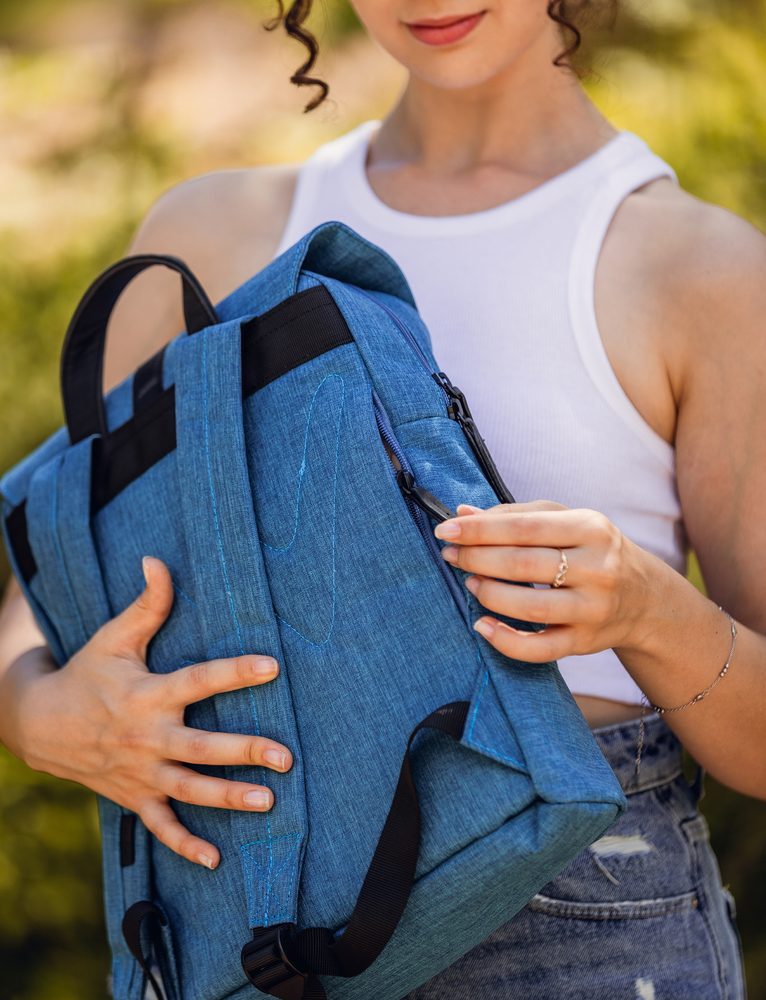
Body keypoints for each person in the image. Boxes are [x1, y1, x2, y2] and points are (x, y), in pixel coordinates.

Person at [1, 1, 764, 997]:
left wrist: (648, 609)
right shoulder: (214, 234)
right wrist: (39, 711)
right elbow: (45, 599)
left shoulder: (698, 268)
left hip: (591, 923)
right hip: (255, 909)